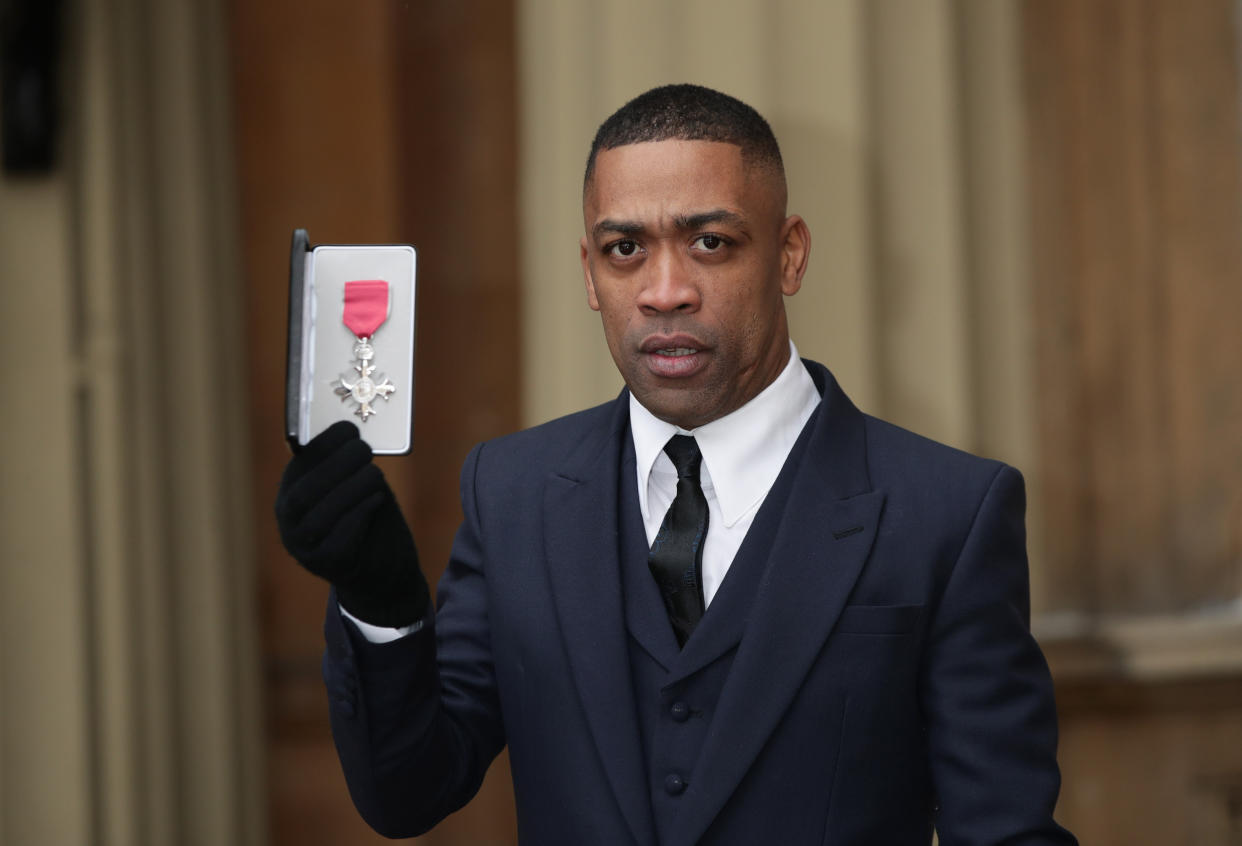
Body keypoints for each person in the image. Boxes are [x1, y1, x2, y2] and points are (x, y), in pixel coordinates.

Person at [275, 84, 1077, 845]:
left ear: (790, 255)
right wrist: (380, 604)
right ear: (590, 273)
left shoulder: (948, 513)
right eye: (624, 248)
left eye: (709, 242)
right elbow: (409, 790)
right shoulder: (511, 494)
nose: (665, 291)